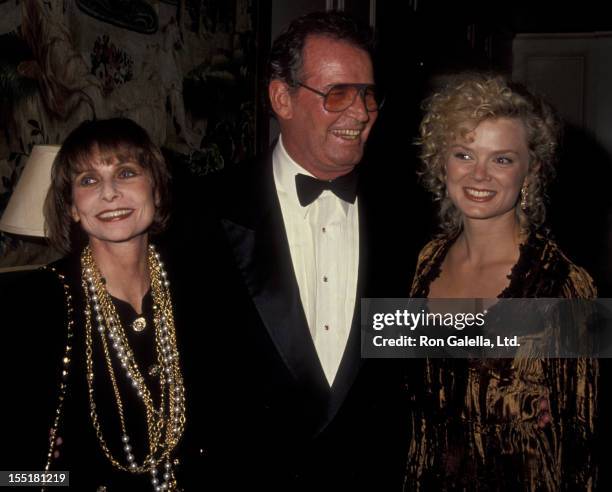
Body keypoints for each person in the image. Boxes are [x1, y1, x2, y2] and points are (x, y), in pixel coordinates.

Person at [168, 10, 419, 490]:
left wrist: (557, 346)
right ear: (281, 97)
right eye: (338, 94)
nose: (362, 113)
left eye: (369, 95)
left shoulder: (408, 218)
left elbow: (432, 336)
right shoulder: (201, 212)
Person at [404, 73, 598, 490]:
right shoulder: (425, 262)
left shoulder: (566, 285)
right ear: (441, 161)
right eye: (464, 154)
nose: (480, 175)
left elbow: (585, 447)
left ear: (531, 171)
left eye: (502, 159)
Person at [2, 118, 187, 491]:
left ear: (157, 189)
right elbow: (11, 477)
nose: (109, 192)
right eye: (88, 180)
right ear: (71, 207)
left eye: (126, 172)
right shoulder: (33, 305)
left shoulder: (199, 286)